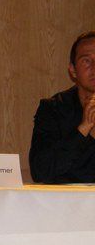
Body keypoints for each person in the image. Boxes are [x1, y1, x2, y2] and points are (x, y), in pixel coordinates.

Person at [30, 31, 95, 183]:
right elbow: (40, 172)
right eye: (86, 60)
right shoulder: (53, 109)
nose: (94, 67)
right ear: (73, 70)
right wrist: (83, 129)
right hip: (67, 197)